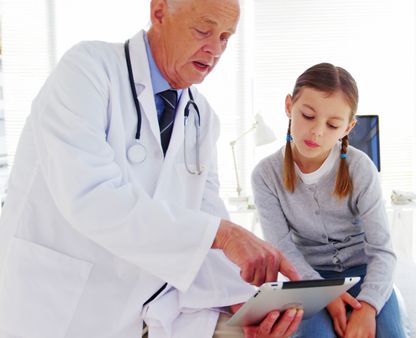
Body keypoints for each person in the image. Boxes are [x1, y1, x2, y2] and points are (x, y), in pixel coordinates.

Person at [0, 0, 302, 337]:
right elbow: (90, 196)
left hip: (128, 313)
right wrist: (222, 234)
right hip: (53, 306)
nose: (215, 50)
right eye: (204, 30)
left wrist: (243, 303)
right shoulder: (87, 71)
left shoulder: (201, 117)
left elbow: (206, 217)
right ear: (159, 12)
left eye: (225, 38)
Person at [251, 63, 407, 338]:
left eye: (333, 124)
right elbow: (282, 247)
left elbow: (382, 250)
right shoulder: (265, 175)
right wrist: (322, 293)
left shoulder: (361, 168)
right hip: (308, 280)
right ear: (289, 106)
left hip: (365, 273)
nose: (317, 131)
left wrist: (369, 306)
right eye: (308, 115)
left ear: (348, 127)